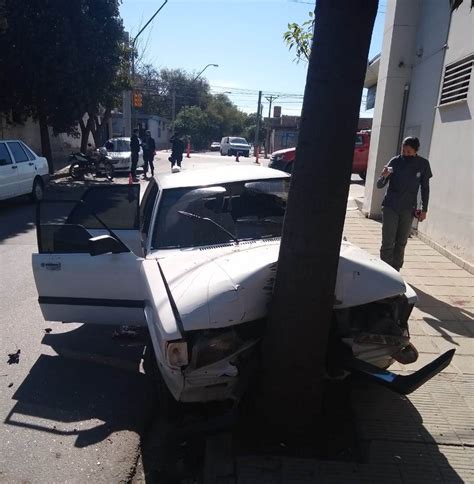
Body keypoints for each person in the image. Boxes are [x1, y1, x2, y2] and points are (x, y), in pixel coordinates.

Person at [377, 136, 433, 271]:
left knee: (401, 242)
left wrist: (424, 209)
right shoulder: (395, 162)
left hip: (408, 209)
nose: (405, 154)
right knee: (388, 242)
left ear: (416, 150)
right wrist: (384, 176)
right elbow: (380, 184)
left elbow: (425, 188)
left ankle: (396, 270)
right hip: (391, 206)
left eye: (409, 151)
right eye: (404, 151)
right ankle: (385, 271)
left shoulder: (423, 164)